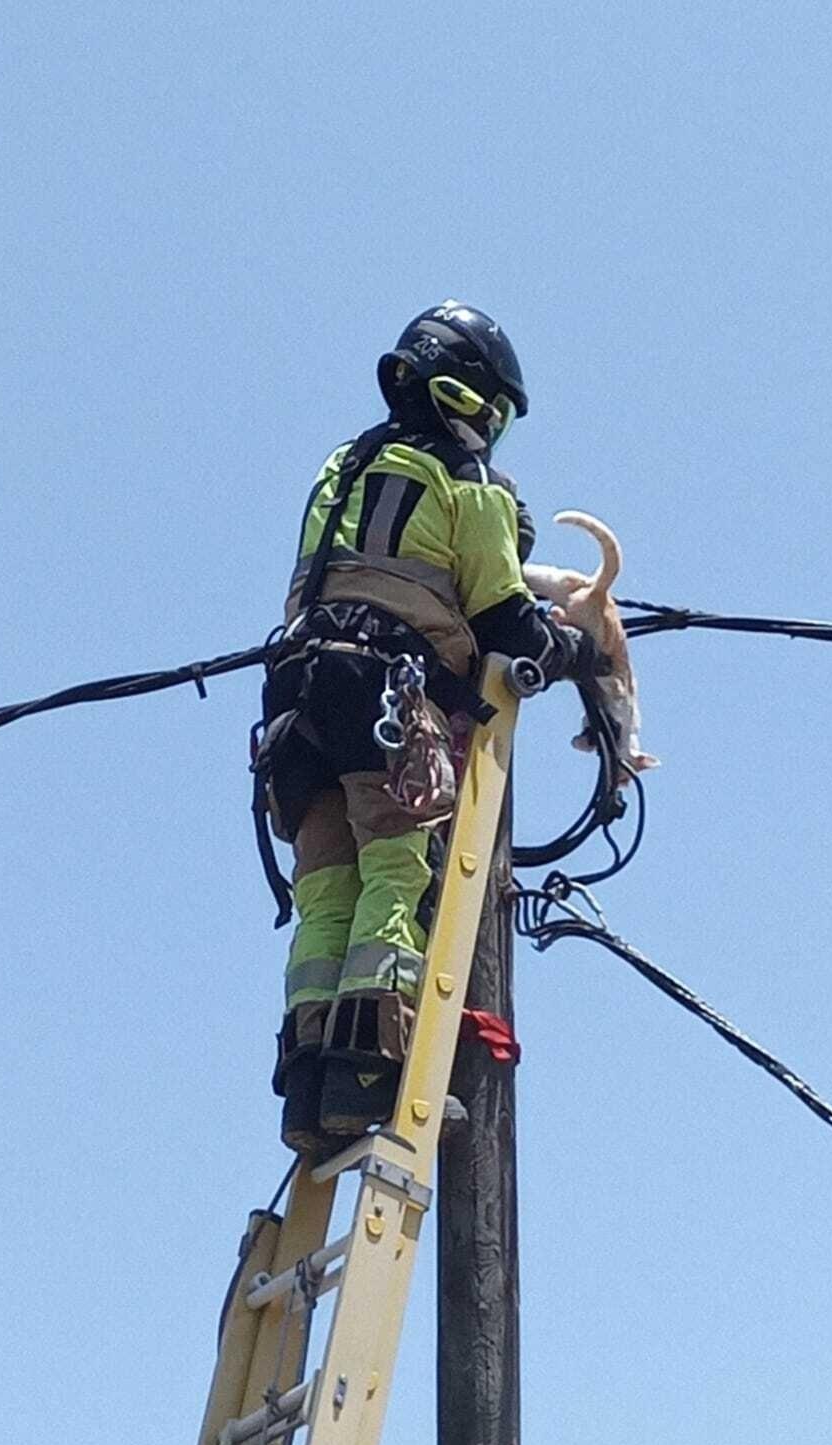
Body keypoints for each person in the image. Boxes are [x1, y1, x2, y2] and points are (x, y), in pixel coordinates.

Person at [259, 301, 589, 1155]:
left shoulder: (342, 465)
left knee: (324, 893)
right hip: (384, 696)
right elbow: (504, 615)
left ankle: (308, 1093)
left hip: (295, 702)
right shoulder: (465, 479)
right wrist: (571, 650)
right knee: (396, 874)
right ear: (467, 396)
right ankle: (371, 1078)